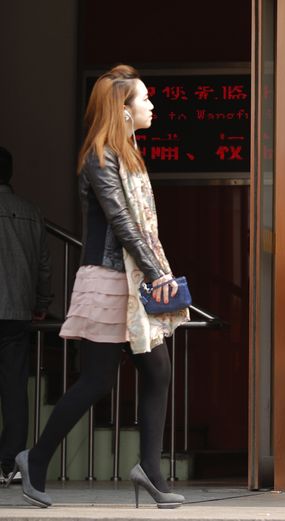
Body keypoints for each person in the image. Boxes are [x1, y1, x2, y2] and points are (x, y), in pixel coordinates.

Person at [7, 65, 188, 509]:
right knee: (96, 379)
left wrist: (151, 269)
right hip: (109, 279)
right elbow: (122, 222)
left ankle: (149, 469)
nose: (151, 105)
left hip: (131, 277)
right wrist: (157, 272)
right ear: (122, 110)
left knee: (157, 368)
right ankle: (37, 457)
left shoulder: (126, 154)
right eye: (144, 99)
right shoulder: (101, 155)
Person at [0, 147, 52, 486]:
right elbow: (44, 265)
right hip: (17, 311)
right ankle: (10, 463)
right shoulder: (31, 212)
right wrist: (42, 301)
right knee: (14, 387)